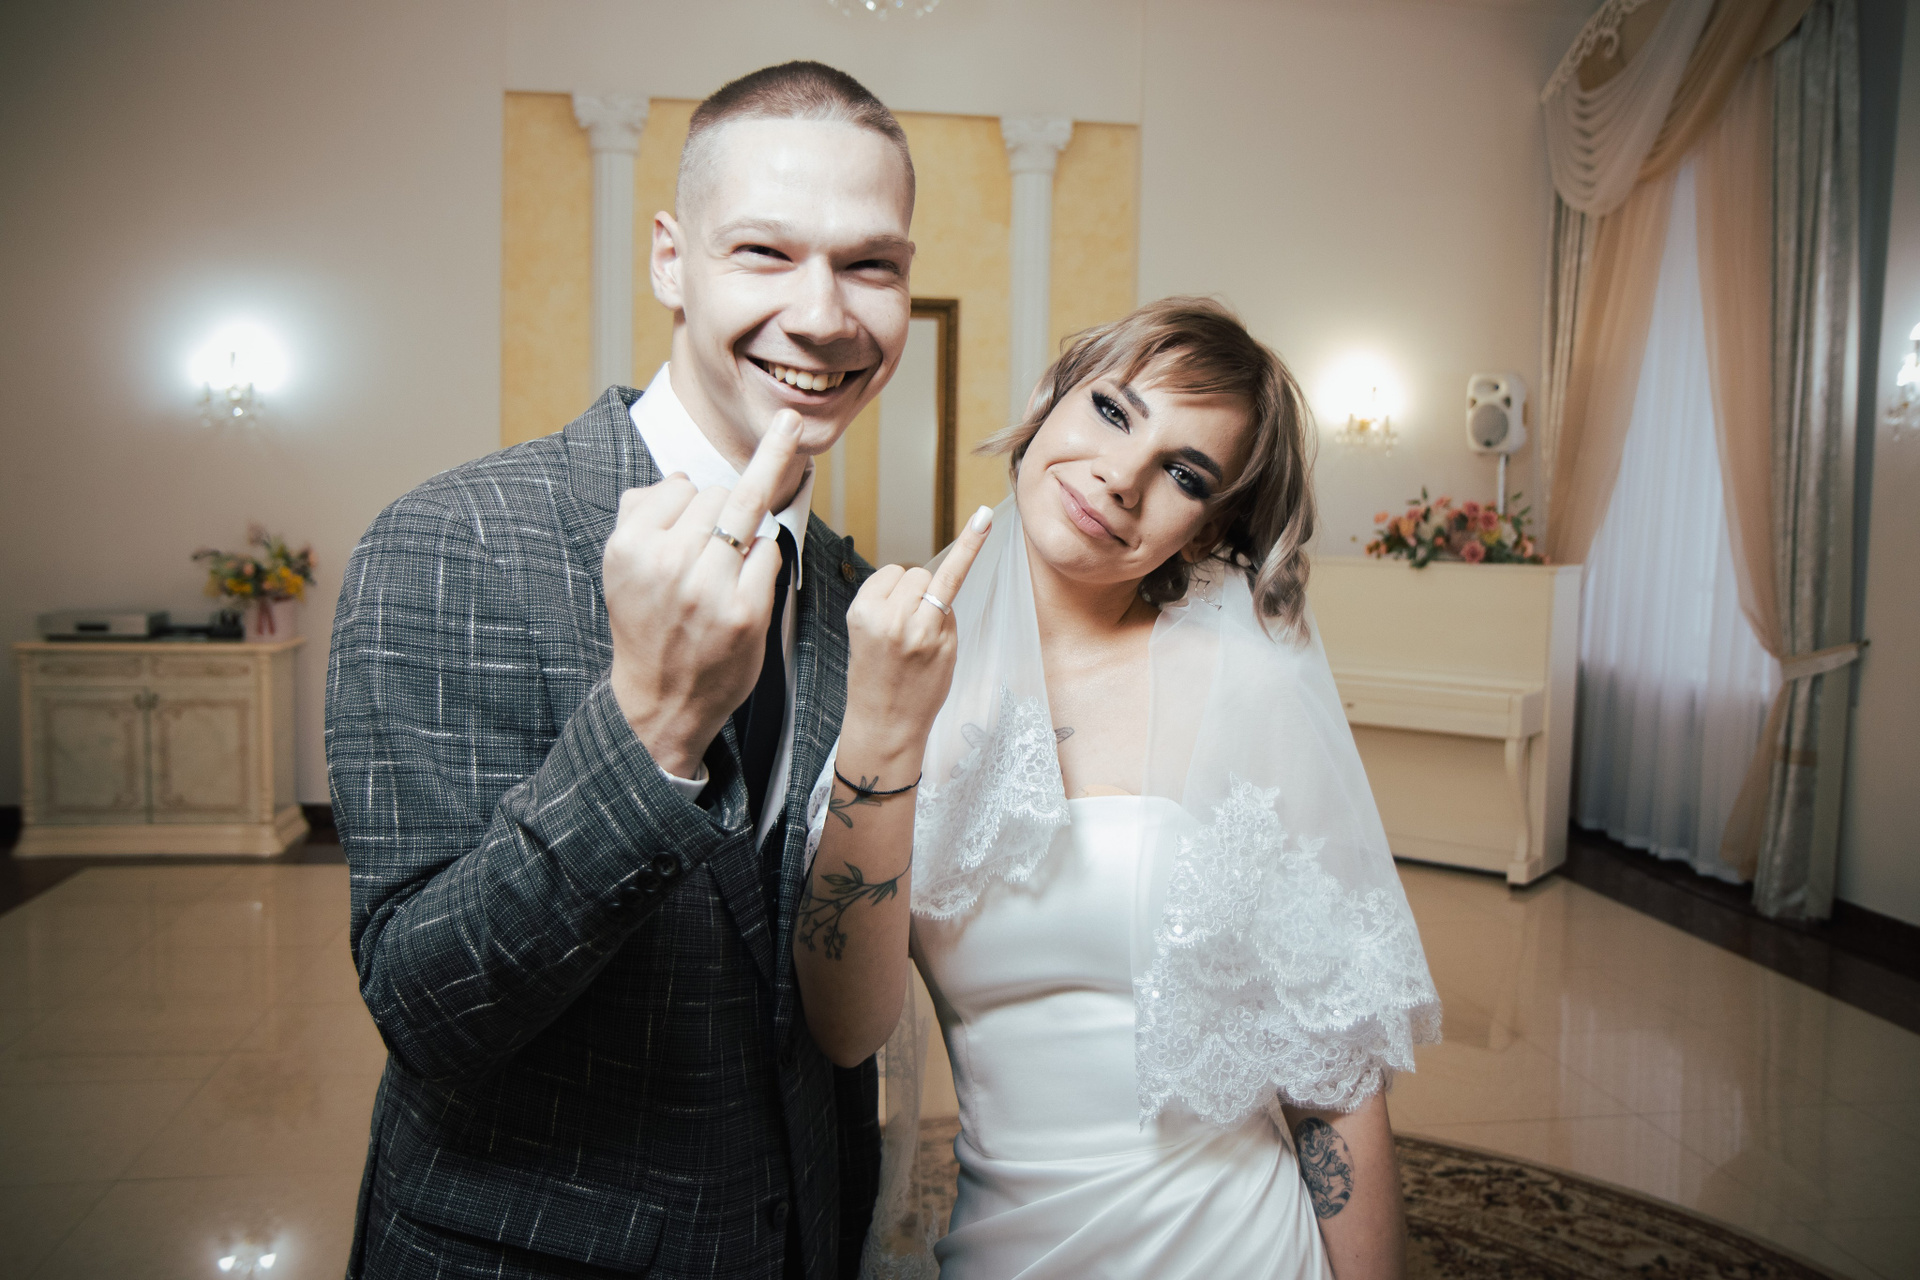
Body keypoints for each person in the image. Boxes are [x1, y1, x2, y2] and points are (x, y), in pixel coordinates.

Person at [326, 62, 933, 1280]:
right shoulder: (455, 537)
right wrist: (653, 726)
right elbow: (427, 1006)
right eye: (764, 251)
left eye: (871, 264)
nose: (825, 315)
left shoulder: (852, 595)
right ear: (671, 259)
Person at [792, 298, 1443, 1278]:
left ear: (1207, 528)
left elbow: (1336, 1078)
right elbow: (845, 1028)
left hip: (1236, 1248)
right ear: (1047, 400)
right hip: (1006, 1246)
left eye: (1185, 473)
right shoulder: (898, 665)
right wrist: (883, 732)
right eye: (1111, 411)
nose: (1121, 477)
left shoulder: (1244, 686)